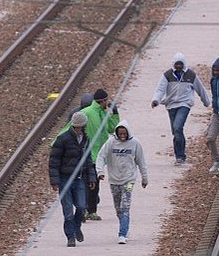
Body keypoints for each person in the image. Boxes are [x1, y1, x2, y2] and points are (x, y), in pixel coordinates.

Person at [151, 53, 210, 166]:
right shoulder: (167, 75)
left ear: (184, 64)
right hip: (171, 105)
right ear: (173, 64)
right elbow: (160, 89)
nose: (178, 66)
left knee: (178, 127)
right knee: (176, 131)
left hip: (184, 104)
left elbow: (200, 88)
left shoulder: (190, 75)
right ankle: (178, 155)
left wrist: (206, 102)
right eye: (176, 64)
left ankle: (180, 156)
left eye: (180, 64)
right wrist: (156, 100)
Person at [48, 111, 97, 248]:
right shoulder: (62, 139)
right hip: (65, 180)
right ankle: (70, 237)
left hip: (80, 179)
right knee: (68, 211)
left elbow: (88, 160)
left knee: (81, 207)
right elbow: (54, 161)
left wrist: (92, 177)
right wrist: (55, 181)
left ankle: (76, 227)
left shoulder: (86, 139)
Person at [95, 122, 148, 245]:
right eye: (120, 134)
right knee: (118, 208)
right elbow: (101, 157)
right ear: (117, 133)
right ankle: (125, 226)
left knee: (125, 205)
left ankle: (122, 233)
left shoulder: (135, 143)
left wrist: (144, 178)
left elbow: (141, 161)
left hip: (129, 180)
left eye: (124, 133)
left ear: (128, 133)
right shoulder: (111, 142)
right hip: (114, 181)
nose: (122, 136)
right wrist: (100, 171)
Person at [78, 89, 121, 220]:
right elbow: (72, 127)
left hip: (99, 155)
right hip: (87, 154)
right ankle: (85, 210)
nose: (108, 102)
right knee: (87, 182)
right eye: (107, 100)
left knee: (95, 184)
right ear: (103, 101)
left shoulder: (102, 113)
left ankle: (91, 210)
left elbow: (112, 129)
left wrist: (114, 114)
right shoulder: (87, 113)